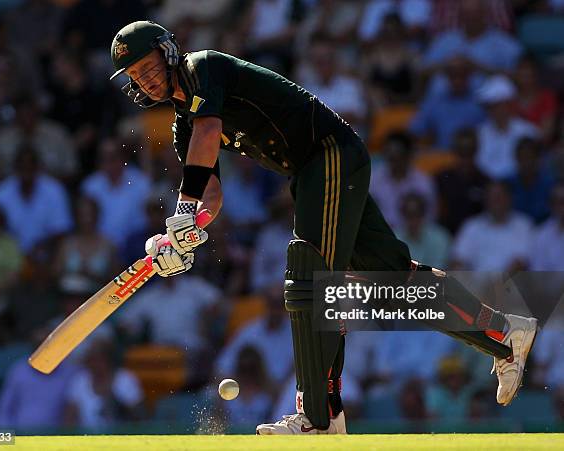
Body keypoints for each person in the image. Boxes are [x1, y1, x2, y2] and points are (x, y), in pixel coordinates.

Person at [109, 21, 539, 435]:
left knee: (309, 276)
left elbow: (209, 132)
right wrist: (180, 240)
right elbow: (212, 197)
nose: (145, 81)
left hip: (329, 154)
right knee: (395, 280)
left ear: (167, 54)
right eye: (135, 75)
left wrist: (183, 212)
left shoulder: (201, 68)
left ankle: (318, 416)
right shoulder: (183, 125)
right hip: (315, 173)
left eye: (148, 67)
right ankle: (505, 334)